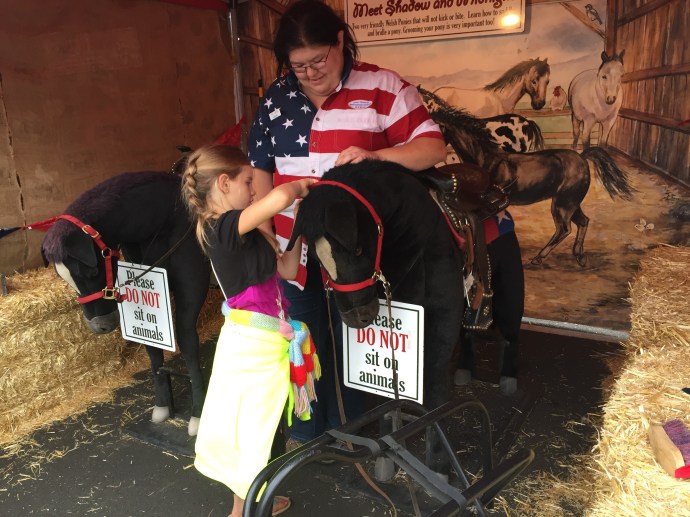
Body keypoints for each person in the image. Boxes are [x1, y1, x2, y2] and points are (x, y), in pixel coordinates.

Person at [248, 0, 447, 448]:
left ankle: (356, 430)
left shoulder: (382, 87)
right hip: (292, 249)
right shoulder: (276, 99)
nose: (311, 73)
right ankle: (308, 432)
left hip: (354, 251)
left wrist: (377, 155)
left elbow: (432, 147)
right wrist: (266, 236)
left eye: (319, 60)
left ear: (340, 41)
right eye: (299, 66)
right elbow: (260, 166)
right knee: (301, 337)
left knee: (355, 338)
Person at [180, 143, 317, 517]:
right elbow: (280, 196)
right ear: (224, 183)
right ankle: (247, 509)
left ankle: (249, 504)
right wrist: (301, 186)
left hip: (268, 343)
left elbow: (288, 269)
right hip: (252, 346)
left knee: (259, 428)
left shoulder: (248, 232)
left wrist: (299, 226)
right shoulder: (221, 227)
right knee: (255, 430)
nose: (254, 191)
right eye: (247, 182)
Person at [455, 209, 525, 395]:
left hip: (497, 225)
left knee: (510, 293)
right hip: (461, 223)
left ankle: (509, 362)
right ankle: (465, 355)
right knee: (463, 294)